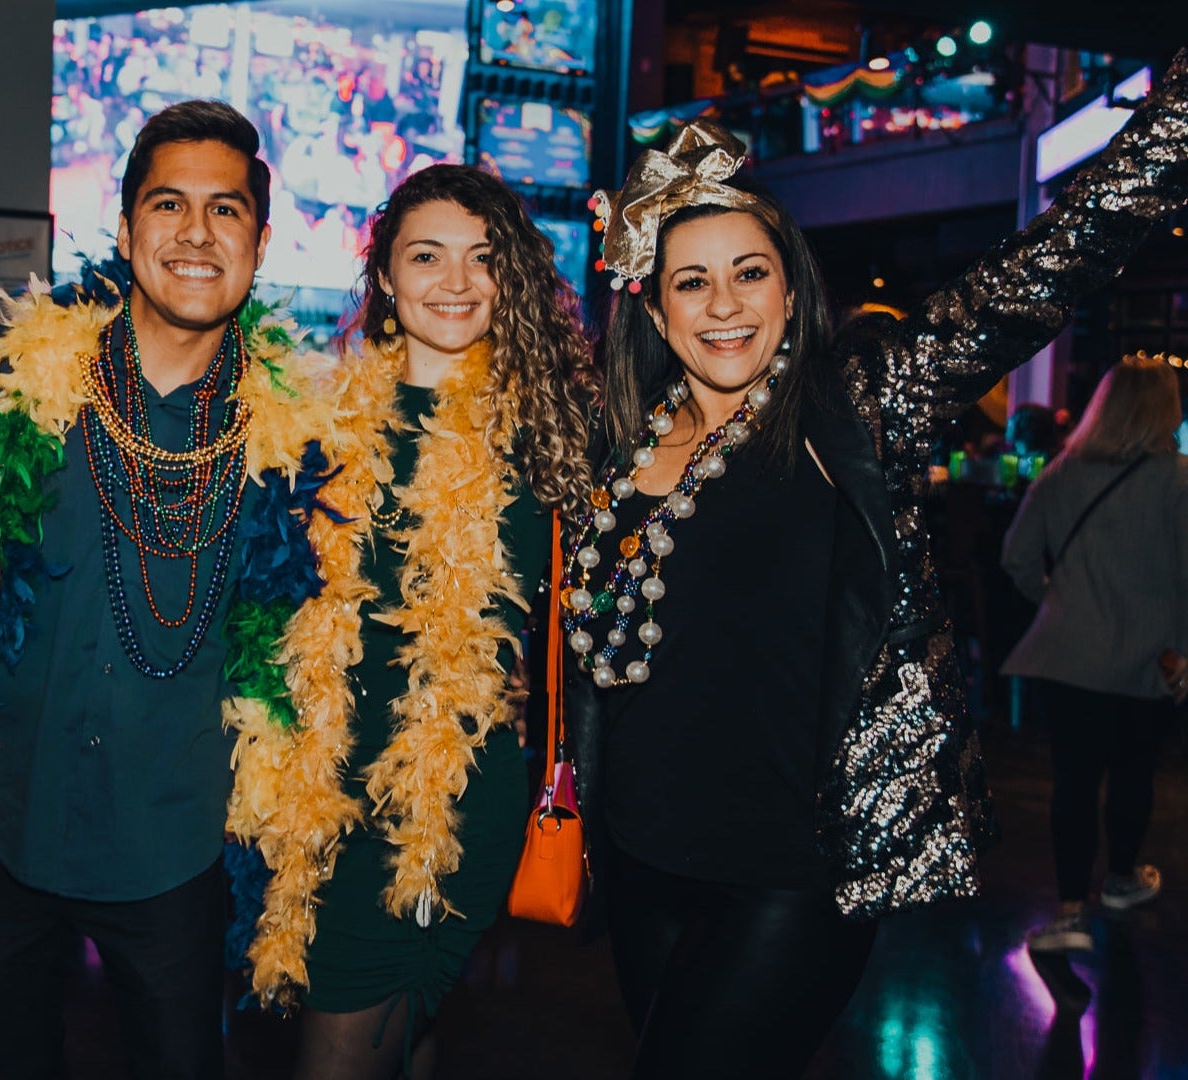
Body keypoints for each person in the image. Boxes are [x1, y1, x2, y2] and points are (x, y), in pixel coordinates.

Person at [562, 49, 1188, 1079]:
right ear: (657, 309)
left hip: (790, 871)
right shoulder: (621, 441)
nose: (724, 304)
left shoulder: (858, 402)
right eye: (693, 280)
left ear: (792, 290)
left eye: (749, 273)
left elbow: (1057, 259)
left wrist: (1172, 127)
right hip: (639, 855)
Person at [0, 99, 332, 1079]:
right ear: (126, 230)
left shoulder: (304, 445)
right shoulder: (12, 391)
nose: (197, 234)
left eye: (226, 211)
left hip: (173, 849)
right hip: (3, 833)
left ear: (260, 240)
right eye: (169, 205)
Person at [219, 164, 593, 1079]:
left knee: (349, 1040)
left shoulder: (549, 429)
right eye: (426, 257)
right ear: (384, 276)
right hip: (318, 779)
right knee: (401, 1029)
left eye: (482, 258)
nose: (456, 283)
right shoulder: (316, 419)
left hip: (456, 792)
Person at [1000, 354, 1188, 953]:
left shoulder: (1061, 472)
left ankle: (1069, 914)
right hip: (1148, 654)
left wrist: (1058, 600)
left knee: (1073, 783)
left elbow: (1017, 559)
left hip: (1069, 653)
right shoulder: (1180, 479)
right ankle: (1123, 880)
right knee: (1134, 772)